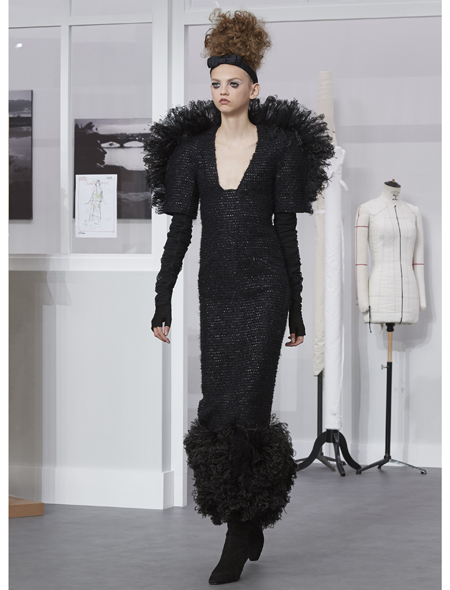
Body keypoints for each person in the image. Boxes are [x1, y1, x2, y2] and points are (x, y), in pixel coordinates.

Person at [144, 8, 334, 585]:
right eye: (215, 84)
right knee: (217, 407)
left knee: (249, 406)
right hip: (217, 292)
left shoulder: (280, 147)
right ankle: (244, 519)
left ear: (254, 88)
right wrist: (162, 298)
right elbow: (180, 231)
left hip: (266, 290)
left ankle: (239, 531)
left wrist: (296, 306)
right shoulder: (191, 152)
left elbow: (287, 232)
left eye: (233, 83)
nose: (222, 91)